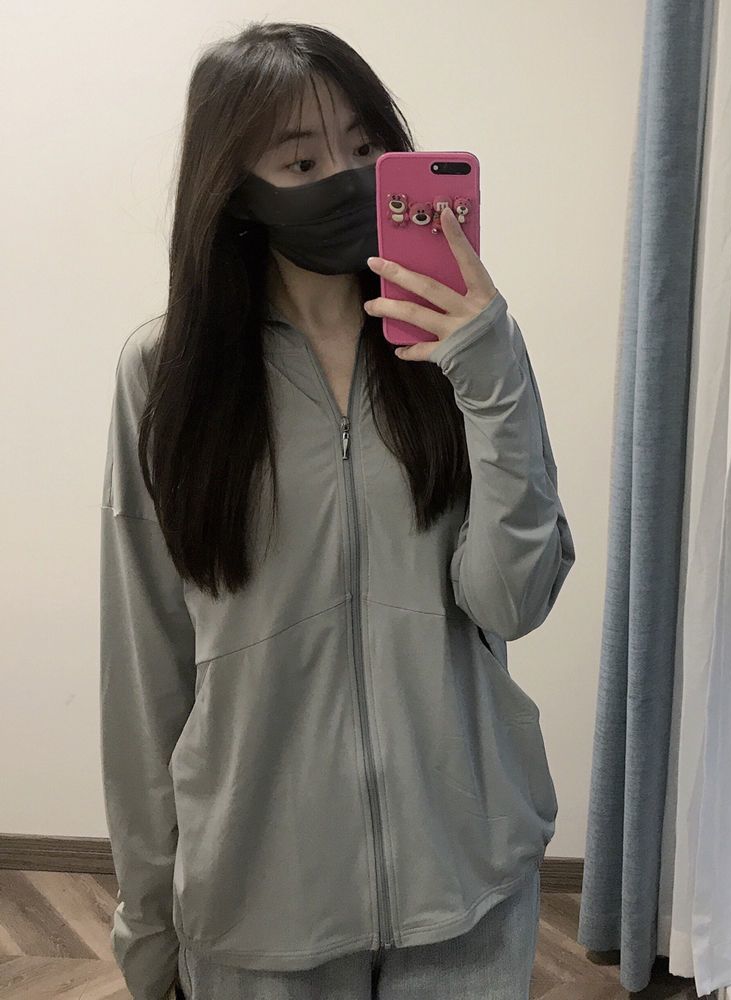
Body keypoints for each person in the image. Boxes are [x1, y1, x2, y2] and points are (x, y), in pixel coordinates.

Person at [99, 19, 575, 1000]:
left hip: (464, 882)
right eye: (302, 160)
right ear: (236, 188)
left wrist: (490, 368)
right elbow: (144, 667)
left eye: (365, 147)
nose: (346, 180)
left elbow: (512, 599)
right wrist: (147, 925)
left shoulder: (461, 349)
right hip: (259, 903)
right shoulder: (167, 375)